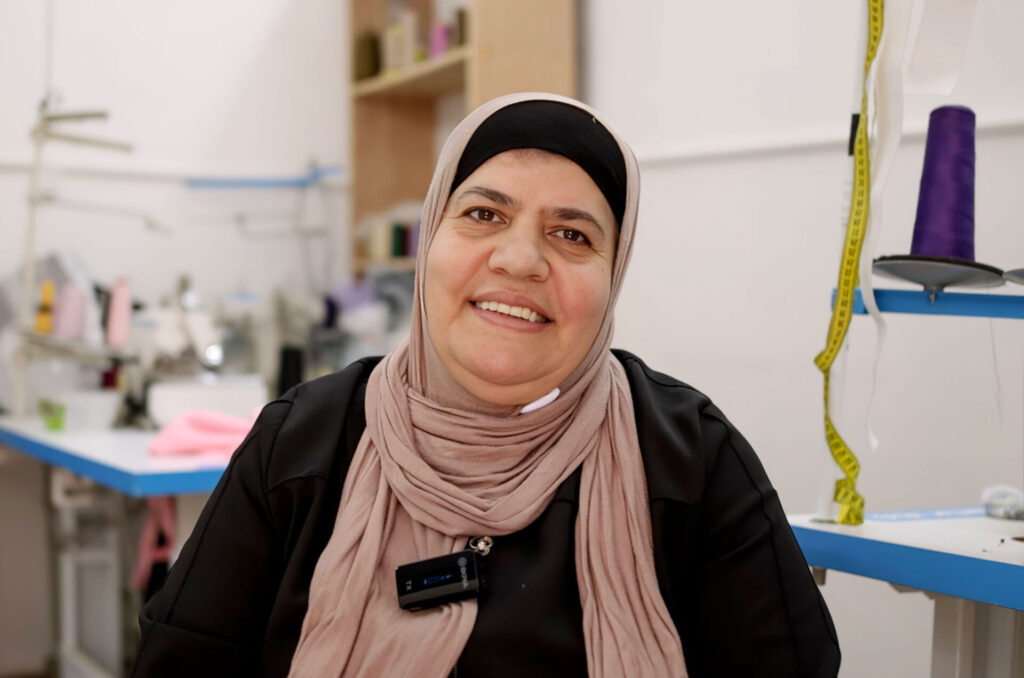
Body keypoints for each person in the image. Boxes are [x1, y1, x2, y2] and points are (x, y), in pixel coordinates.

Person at [132, 93, 840, 677]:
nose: (520, 258)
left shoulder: (692, 459)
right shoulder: (301, 445)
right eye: (483, 214)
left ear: (613, 272)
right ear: (429, 240)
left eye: (573, 235)